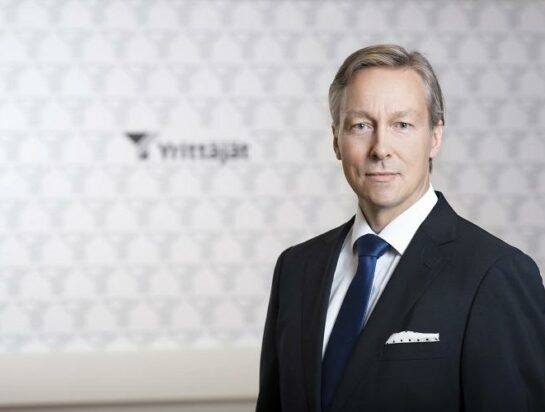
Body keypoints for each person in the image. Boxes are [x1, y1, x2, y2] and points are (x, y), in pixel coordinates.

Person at [256, 44, 545, 412]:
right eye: (361, 126)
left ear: (435, 137)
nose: (381, 148)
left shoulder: (495, 274)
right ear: (336, 140)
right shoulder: (296, 269)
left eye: (402, 125)